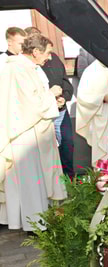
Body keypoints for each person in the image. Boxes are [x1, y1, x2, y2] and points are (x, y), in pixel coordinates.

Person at [0, 33, 67, 232]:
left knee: (36, 181)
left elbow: (34, 100)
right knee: (30, 181)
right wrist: (51, 94)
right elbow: (31, 105)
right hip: (25, 136)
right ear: (36, 51)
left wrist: (54, 101)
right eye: (47, 53)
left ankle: (41, 220)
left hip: (34, 132)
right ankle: (35, 224)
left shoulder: (30, 68)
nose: (49, 58)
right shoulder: (17, 69)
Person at [26, 27, 76, 179]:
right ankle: (53, 180)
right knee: (48, 150)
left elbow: (65, 82)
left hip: (60, 110)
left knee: (67, 144)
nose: (47, 57)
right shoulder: (28, 67)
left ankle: (69, 180)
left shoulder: (53, 58)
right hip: (43, 114)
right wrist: (51, 97)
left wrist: (64, 97)